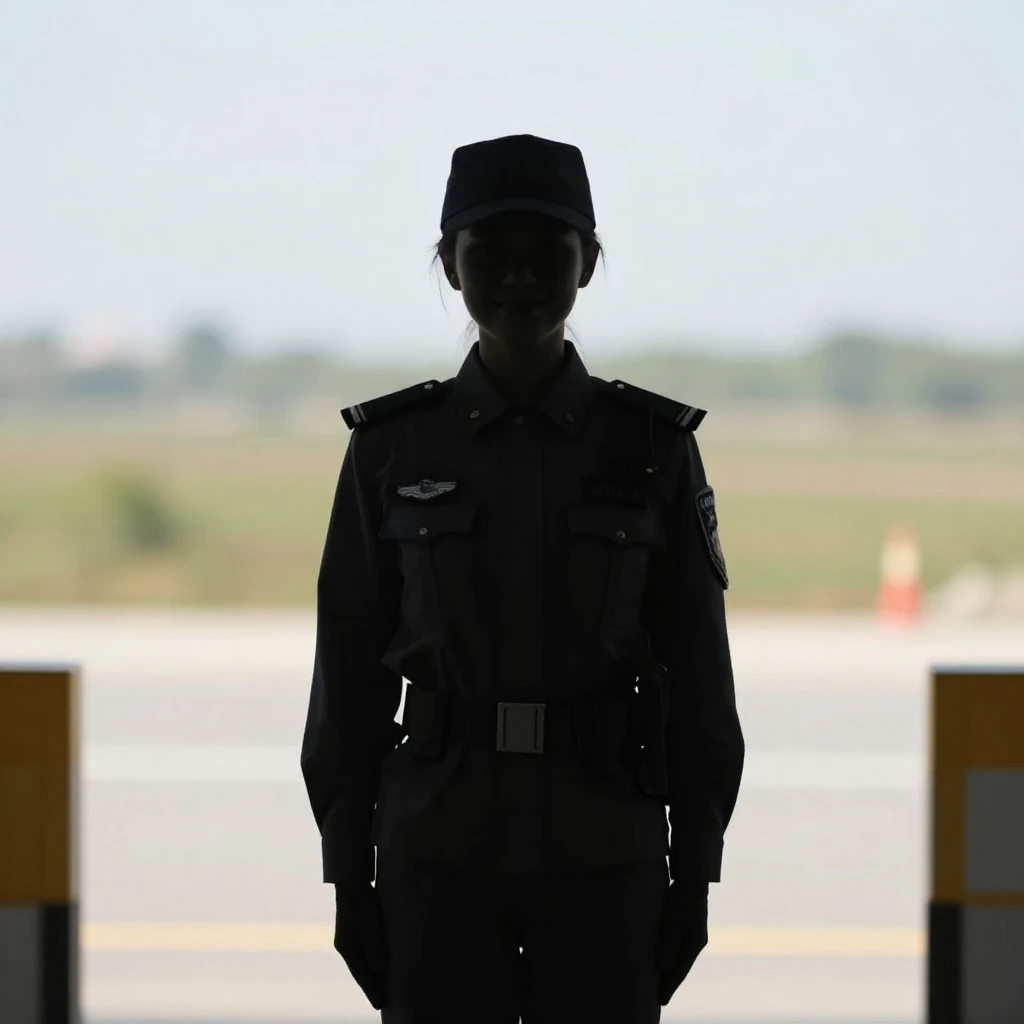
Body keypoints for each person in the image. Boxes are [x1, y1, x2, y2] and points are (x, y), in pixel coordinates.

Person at [300, 133, 745, 1024]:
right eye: (487, 252)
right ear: (449, 265)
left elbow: (699, 676)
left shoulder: (653, 446)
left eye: (548, 249)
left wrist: (693, 872)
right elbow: (347, 675)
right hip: (436, 851)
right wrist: (349, 875)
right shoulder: (392, 448)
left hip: (603, 852)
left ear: (588, 264)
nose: (518, 275)